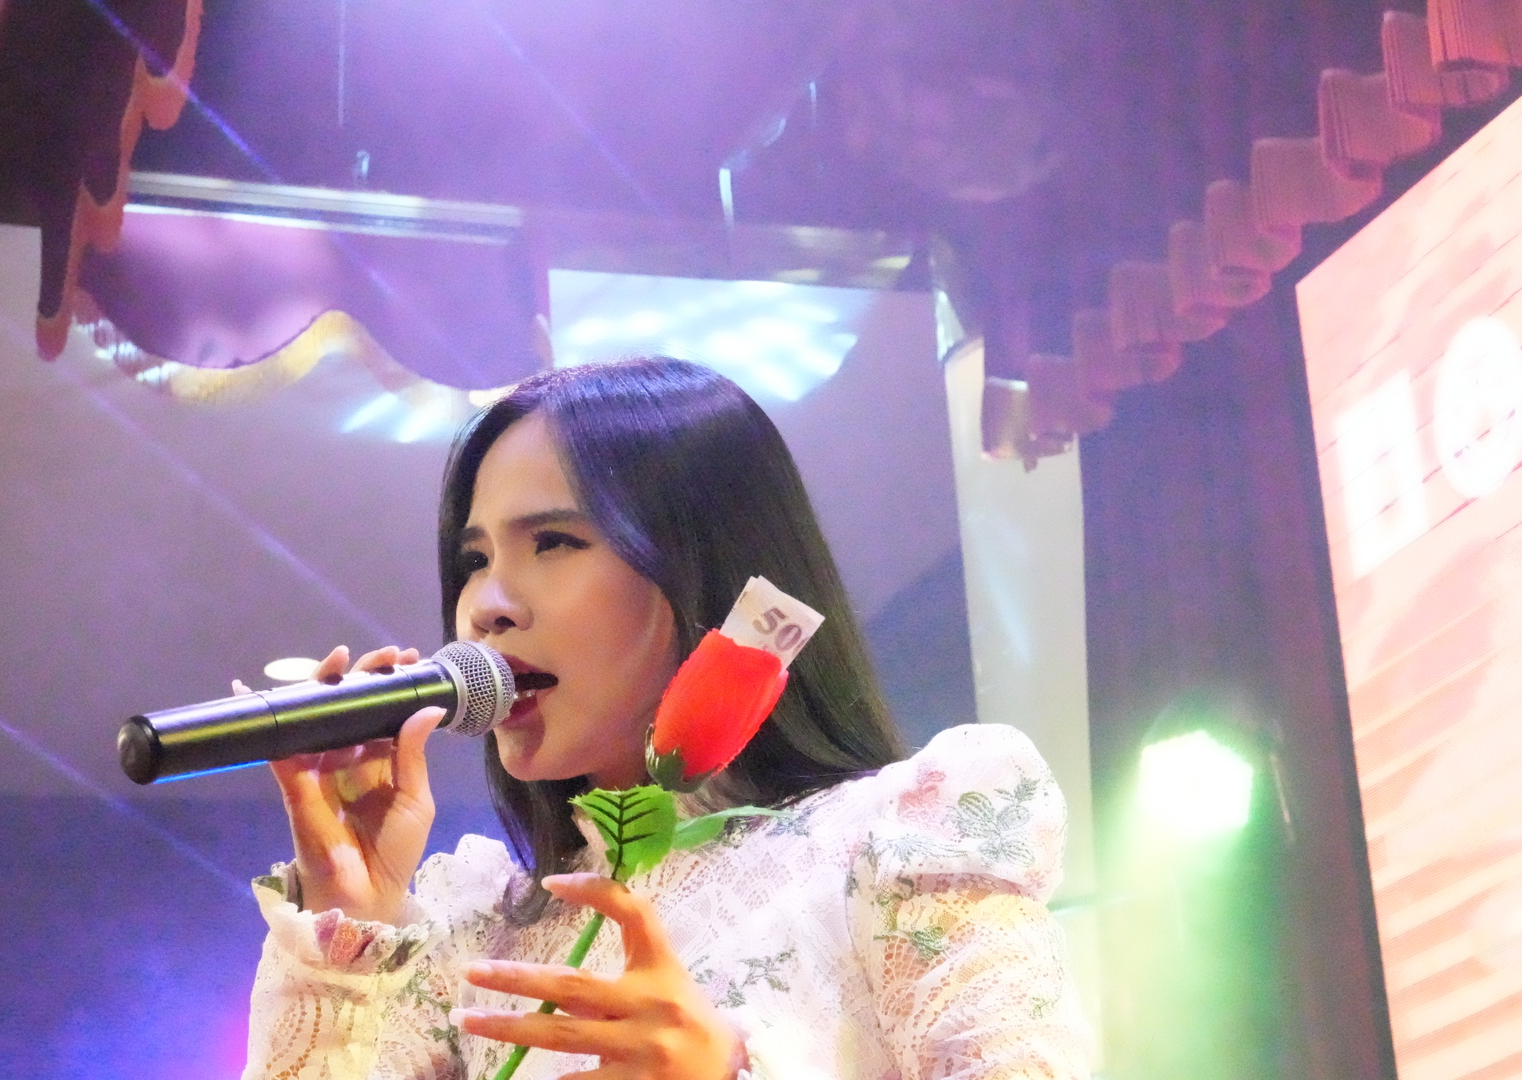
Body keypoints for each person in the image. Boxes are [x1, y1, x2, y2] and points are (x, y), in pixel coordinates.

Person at [243, 358, 1093, 1079]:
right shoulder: (476, 934)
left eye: (553, 542)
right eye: (474, 558)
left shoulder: (892, 849)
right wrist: (347, 910)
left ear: (703, 565)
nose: (485, 606)